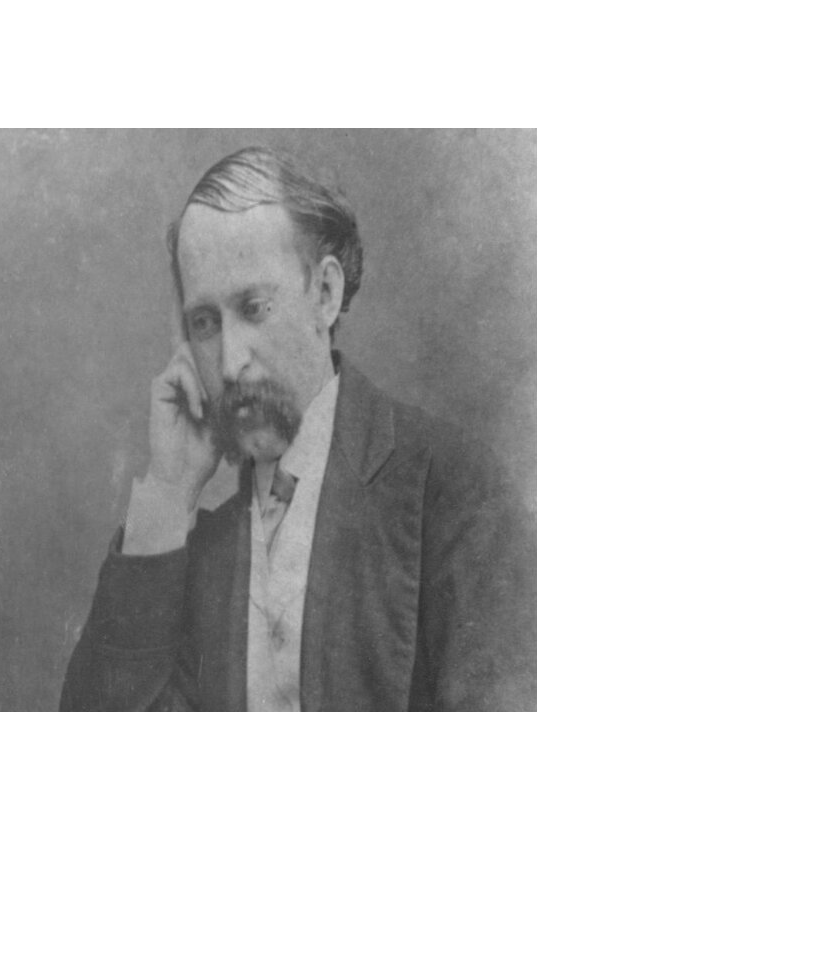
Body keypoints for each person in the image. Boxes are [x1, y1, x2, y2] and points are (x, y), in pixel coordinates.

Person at [60, 147, 535, 711]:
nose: (230, 363)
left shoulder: (453, 491)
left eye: (254, 308)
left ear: (325, 295)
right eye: (205, 323)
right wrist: (168, 490)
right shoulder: (199, 552)